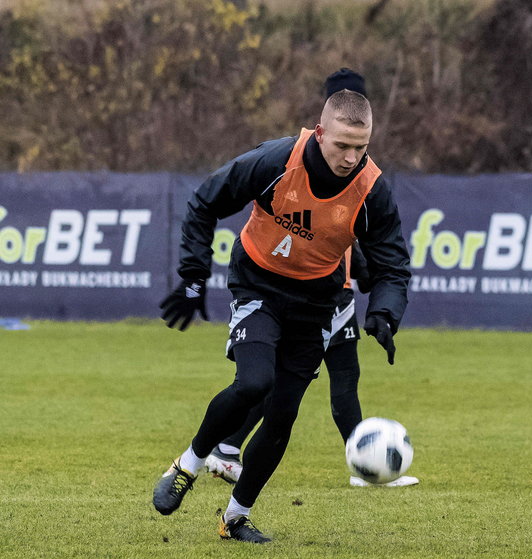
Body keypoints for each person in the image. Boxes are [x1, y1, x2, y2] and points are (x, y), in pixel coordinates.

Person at [152, 69, 411, 543]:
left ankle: (234, 518)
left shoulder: (373, 189)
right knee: (255, 382)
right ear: (320, 130)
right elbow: (205, 202)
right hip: (258, 286)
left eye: (362, 147)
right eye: (342, 146)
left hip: (317, 301)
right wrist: (192, 278)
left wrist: (386, 312)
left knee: (283, 415)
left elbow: (393, 263)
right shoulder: (275, 160)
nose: (351, 158)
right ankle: (187, 463)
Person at [205, 244, 419, 489]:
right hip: (324, 295)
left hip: (306, 292)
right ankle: (367, 465)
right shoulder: (339, 210)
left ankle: (227, 447)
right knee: (338, 379)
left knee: (282, 380)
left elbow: (353, 255)